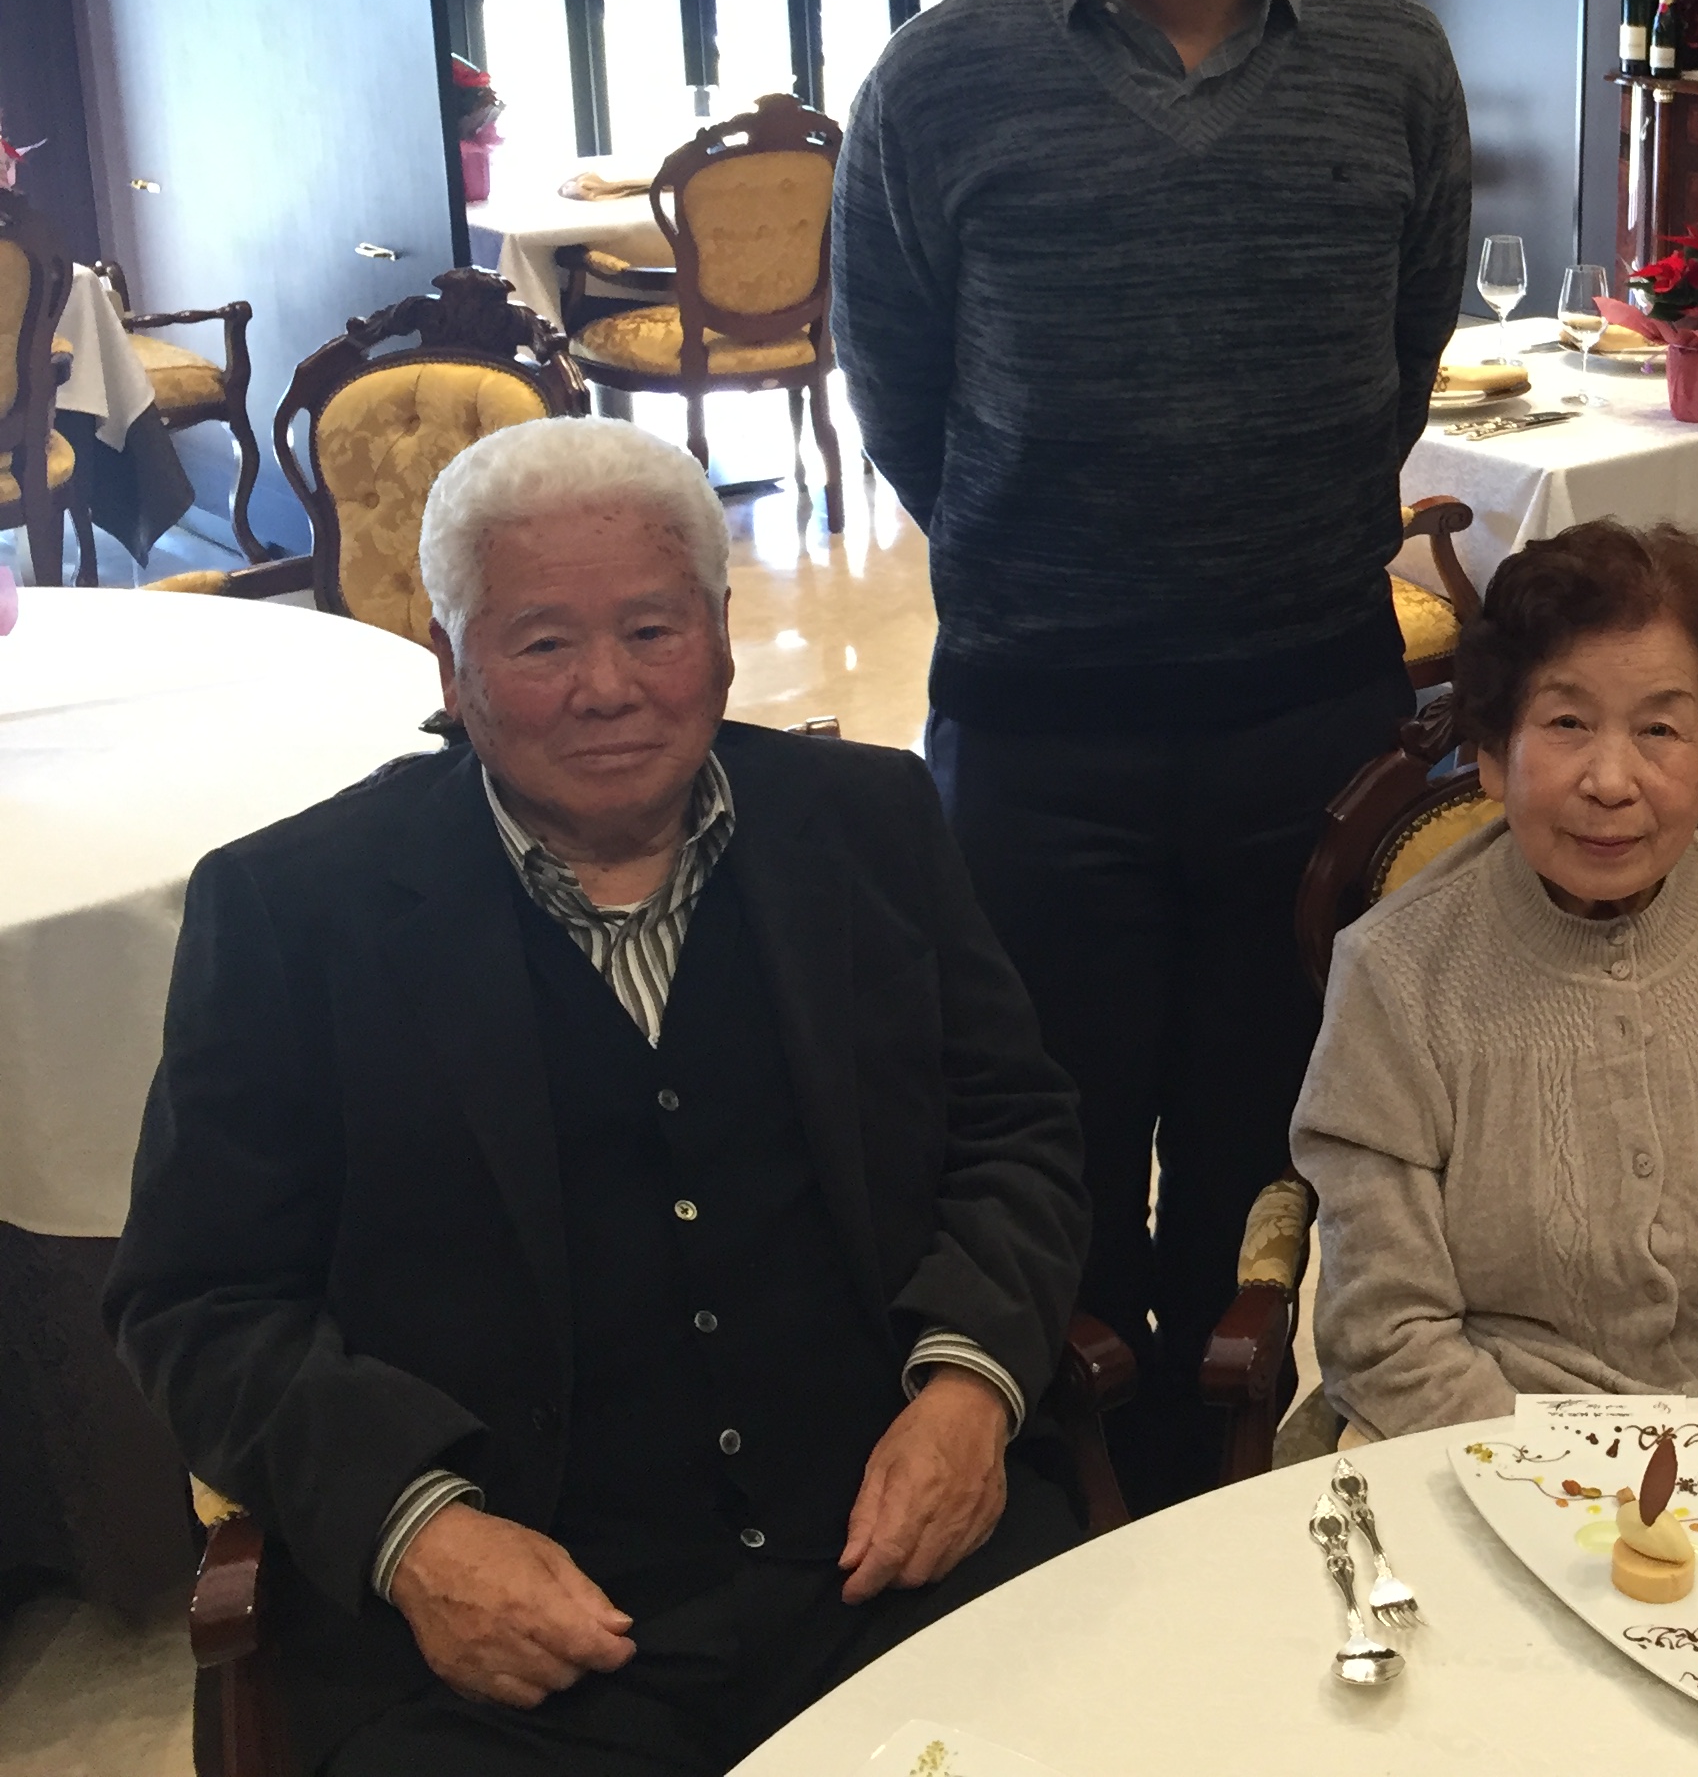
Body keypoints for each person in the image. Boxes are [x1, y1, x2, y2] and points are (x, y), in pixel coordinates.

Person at [105, 420, 1090, 1776]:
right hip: (512, 1641)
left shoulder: (869, 822)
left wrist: (971, 1388)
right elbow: (198, 1300)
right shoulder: (290, 912)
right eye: (542, 644)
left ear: (722, 635)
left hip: (888, 1562)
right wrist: (418, 1534)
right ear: (452, 665)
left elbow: (1017, 1131)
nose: (609, 689)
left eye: (651, 629)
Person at [832, 0, 1470, 1502]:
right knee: (1042, 1152)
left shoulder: (1391, 61)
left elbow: (1402, 356)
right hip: (1041, 735)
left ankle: (1225, 1504)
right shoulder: (940, 82)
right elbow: (901, 399)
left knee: (1278, 1153)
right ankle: (1055, 1523)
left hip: (1314, 720)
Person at [1293, 520, 1698, 1440]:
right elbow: (1385, 1330)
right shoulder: (1394, 971)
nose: (1611, 781)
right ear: (1491, 752)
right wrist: (1550, 1485)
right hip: (1475, 1450)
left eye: (1659, 730)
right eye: (1566, 723)